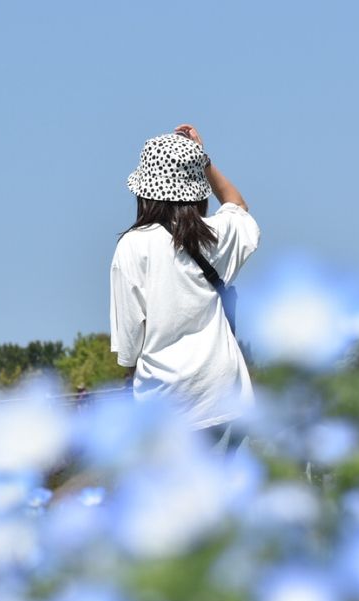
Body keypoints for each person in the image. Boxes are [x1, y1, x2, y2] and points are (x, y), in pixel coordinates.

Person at [110, 124, 260, 448]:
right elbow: (237, 205)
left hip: (164, 406)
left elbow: (129, 343)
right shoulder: (213, 237)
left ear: (143, 191)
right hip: (223, 394)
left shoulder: (132, 247)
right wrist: (203, 161)